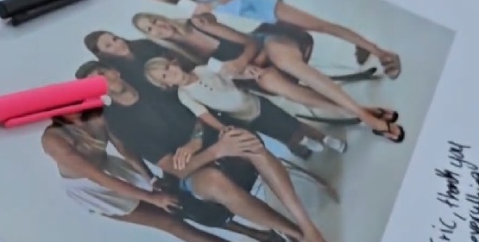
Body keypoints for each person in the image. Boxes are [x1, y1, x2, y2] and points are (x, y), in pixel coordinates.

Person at [75, 60, 350, 242]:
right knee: (214, 183)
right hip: (192, 169)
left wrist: (197, 142)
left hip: (209, 140)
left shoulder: (153, 83)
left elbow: (197, 112)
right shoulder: (123, 123)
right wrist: (216, 151)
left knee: (248, 143)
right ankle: (300, 236)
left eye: (101, 75)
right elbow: (175, 168)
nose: (102, 83)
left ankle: (309, 230)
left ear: (114, 72)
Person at [40, 108, 288, 242]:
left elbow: (125, 150)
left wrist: (150, 178)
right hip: (92, 188)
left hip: (113, 168)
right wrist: (151, 197)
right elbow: (98, 178)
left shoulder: (97, 115)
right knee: (171, 223)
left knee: (181, 204)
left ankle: (255, 232)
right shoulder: (53, 140)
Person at [132, 12, 405, 143]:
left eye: (154, 21)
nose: (158, 28)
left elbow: (248, 42)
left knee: (290, 66)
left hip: (263, 46)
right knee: (283, 89)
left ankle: (367, 117)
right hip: (247, 75)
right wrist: (241, 72)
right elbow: (220, 76)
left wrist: (242, 64)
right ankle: (363, 111)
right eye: (150, 30)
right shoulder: (184, 57)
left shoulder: (198, 23)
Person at [131, 0, 401, 79]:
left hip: (260, 5)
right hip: (253, 19)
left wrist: (209, 8)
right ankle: (362, 46)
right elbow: (217, 19)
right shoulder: (181, 4)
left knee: (322, 26)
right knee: (307, 34)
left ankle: (382, 52)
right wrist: (207, 20)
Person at [143, 55, 347, 158]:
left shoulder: (203, 69)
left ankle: (326, 139)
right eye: (164, 76)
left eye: (168, 67)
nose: (170, 73)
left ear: (174, 63)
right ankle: (302, 140)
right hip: (245, 117)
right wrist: (221, 128)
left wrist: (248, 73)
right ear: (166, 84)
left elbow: (229, 73)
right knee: (282, 132)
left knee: (290, 121)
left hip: (255, 102)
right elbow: (203, 114)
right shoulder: (184, 95)